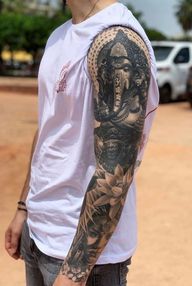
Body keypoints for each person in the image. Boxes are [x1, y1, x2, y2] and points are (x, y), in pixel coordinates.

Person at [5, 1, 159, 285]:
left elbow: (115, 171)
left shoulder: (117, 41)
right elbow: (49, 130)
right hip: (38, 235)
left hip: (84, 260)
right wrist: (23, 207)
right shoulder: (59, 36)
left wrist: (74, 273)